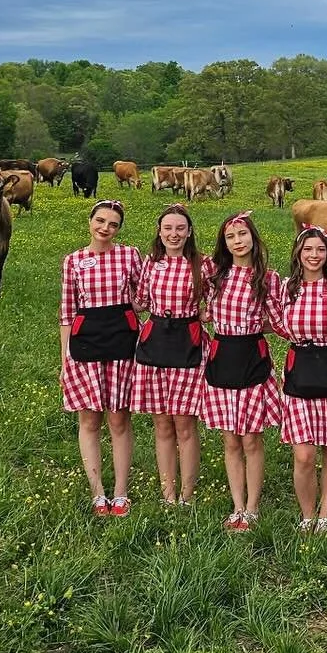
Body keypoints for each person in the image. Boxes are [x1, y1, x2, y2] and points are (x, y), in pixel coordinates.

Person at [272, 224, 327, 533]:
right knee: (304, 453)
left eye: (320, 250)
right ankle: (307, 514)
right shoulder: (287, 288)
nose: (314, 255)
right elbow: (275, 320)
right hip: (299, 367)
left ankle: (324, 516)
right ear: (299, 252)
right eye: (308, 249)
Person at [201, 213, 286, 531]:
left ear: (253, 237)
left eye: (242, 234)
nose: (238, 241)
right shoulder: (216, 275)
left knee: (251, 439)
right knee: (231, 440)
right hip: (221, 356)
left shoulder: (267, 278)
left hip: (251, 356)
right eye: (231, 237)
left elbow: (279, 321)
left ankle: (252, 508)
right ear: (224, 243)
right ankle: (236, 505)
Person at [60, 199, 143, 517]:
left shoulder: (129, 255)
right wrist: (65, 358)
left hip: (122, 340)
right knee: (89, 419)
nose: (105, 228)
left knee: (119, 418)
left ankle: (121, 492)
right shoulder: (74, 260)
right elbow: (67, 313)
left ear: (119, 229)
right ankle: (98, 493)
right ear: (90, 221)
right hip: (86, 342)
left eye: (113, 224)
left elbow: (142, 298)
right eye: (100, 221)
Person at [129, 203, 205, 506]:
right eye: (168, 229)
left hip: (187, 340)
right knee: (162, 423)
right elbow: (141, 302)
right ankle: (167, 494)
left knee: (185, 424)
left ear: (189, 233)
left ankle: (186, 494)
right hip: (156, 339)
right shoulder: (151, 262)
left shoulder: (203, 264)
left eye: (180, 229)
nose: (174, 234)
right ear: (159, 233)